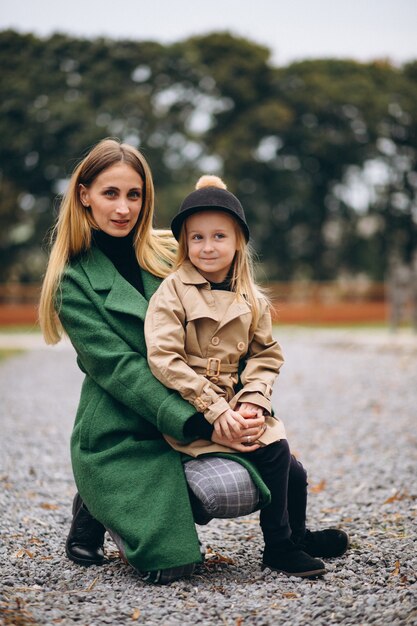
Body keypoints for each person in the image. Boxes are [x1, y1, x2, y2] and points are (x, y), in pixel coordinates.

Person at [39, 138, 348, 584]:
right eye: (110, 194)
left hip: (198, 400)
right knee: (175, 566)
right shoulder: (72, 282)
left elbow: (230, 331)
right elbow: (121, 371)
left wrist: (248, 405)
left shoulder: (176, 250)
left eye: (135, 194)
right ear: (84, 195)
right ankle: (100, 499)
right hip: (126, 424)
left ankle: (290, 538)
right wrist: (205, 420)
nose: (124, 208)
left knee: (284, 466)